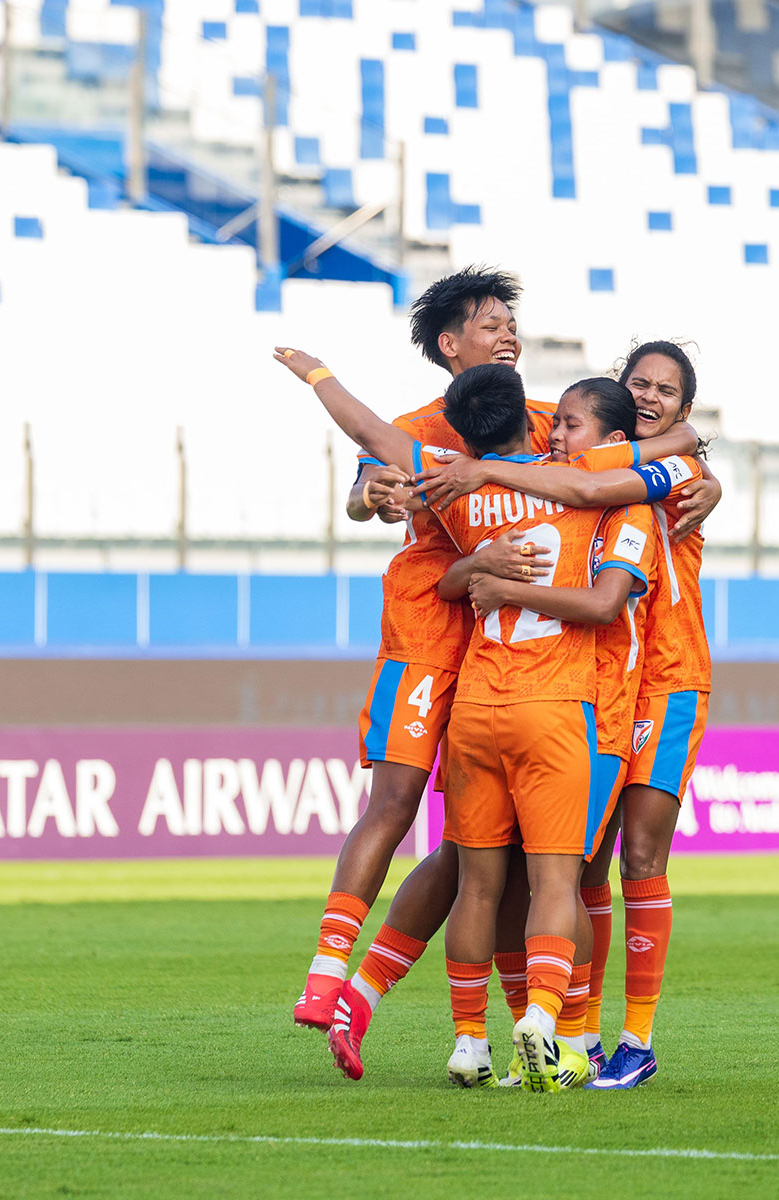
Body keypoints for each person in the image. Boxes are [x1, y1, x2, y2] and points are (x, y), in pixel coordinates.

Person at [278, 351, 685, 1091]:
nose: (555, 432)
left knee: (473, 876)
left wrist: (317, 378)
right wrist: (686, 447)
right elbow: (614, 576)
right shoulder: (603, 494)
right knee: (559, 878)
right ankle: (561, 1032)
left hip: (473, 705)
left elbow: (372, 435)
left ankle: (461, 1037)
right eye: (551, 421)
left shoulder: (457, 483)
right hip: (560, 707)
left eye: (566, 422)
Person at [421, 340, 718, 1089]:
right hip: (596, 682)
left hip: (667, 679)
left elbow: (622, 479)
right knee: (578, 862)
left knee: (640, 855)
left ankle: (636, 1041)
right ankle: (574, 1041)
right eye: (639, 383)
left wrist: (700, 464)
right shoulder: (581, 456)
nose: (651, 395)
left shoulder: (668, 470)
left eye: (667, 389)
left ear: (683, 408)